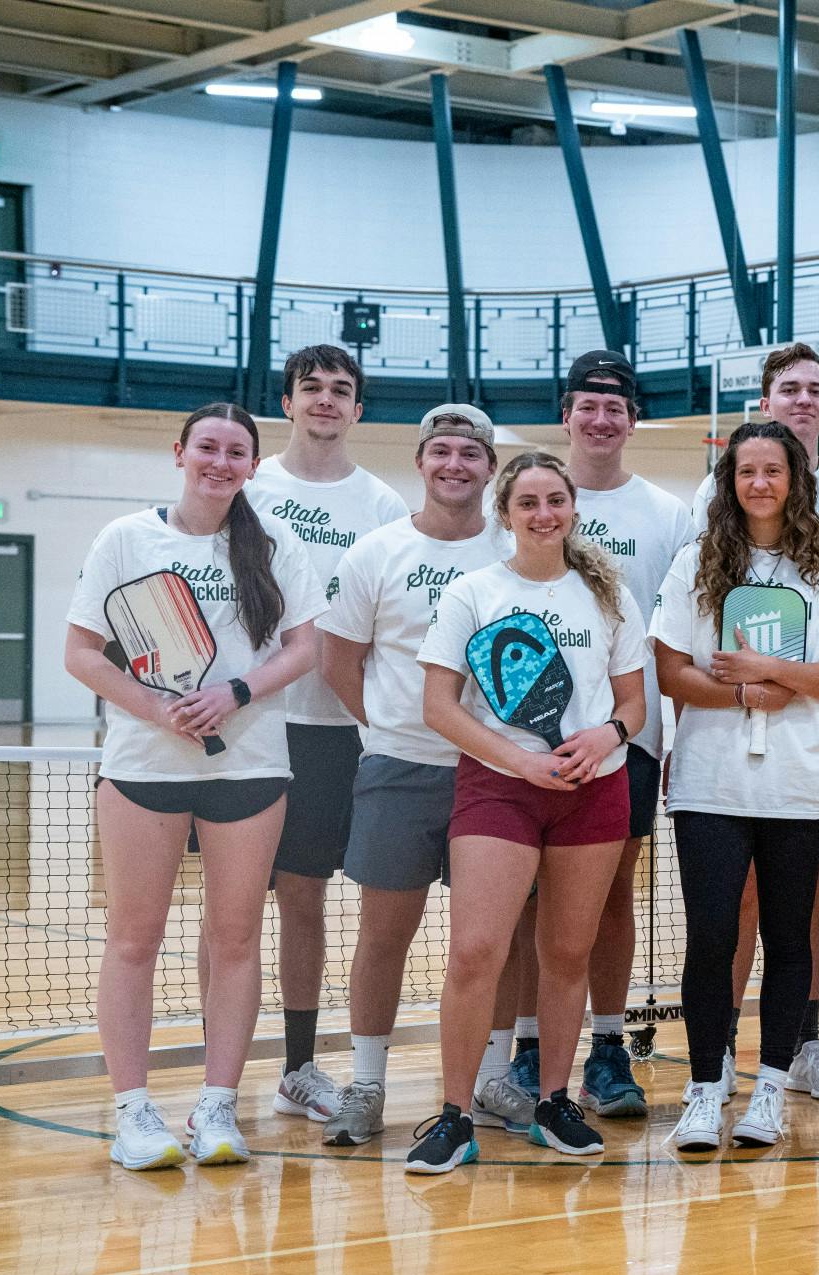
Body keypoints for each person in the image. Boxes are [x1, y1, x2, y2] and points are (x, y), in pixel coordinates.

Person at [66, 402, 324, 1169]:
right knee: (133, 940)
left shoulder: (275, 543)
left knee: (236, 940)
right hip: (143, 768)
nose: (220, 461)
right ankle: (133, 1112)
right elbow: (83, 653)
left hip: (249, 768)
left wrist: (234, 694)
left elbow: (304, 647)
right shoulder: (125, 537)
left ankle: (217, 1107)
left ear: (252, 464)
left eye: (235, 451)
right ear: (180, 452)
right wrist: (155, 708)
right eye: (206, 447)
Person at [407, 451, 648, 1174]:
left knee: (567, 955)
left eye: (555, 501)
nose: (544, 515)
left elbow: (634, 702)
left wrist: (609, 734)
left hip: (595, 789)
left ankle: (552, 1103)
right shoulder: (473, 592)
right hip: (498, 789)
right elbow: (438, 707)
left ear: (573, 508)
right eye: (528, 503)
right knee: (477, 951)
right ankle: (455, 1115)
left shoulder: (610, 596)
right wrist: (519, 760)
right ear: (505, 514)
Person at [651, 422, 819, 1153]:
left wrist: (769, 673)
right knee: (712, 940)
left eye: (773, 470)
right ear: (730, 481)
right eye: (746, 471)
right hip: (708, 784)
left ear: (795, 481)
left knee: (788, 941)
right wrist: (743, 696)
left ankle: (771, 1090)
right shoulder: (695, 562)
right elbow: (671, 671)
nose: (759, 483)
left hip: (798, 787)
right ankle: (705, 1091)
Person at [499, 351, 694, 1125]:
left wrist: (668, 732)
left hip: (625, 741)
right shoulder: (528, 501)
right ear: (568, 413)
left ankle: (611, 1050)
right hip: (524, 746)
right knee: (524, 902)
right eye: (588, 405)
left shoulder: (667, 514)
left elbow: (676, 635)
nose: (602, 419)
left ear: (632, 420)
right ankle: (525, 1049)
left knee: (614, 893)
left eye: (616, 407)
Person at [695, 342, 819, 1104]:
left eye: (815, 389)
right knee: (732, 904)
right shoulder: (719, 500)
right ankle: (724, 1049)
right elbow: (705, 619)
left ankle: (799, 1042)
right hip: (737, 731)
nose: (803, 399)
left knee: (798, 895)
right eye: (789, 389)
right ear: (765, 403)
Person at [314, 405, 507, 1146]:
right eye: (442, 452)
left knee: (497, 940)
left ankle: (492, 1079)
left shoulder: (513, 550)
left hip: (496, 776)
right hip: (398, 770)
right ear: (421, 463)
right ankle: (366, 1085)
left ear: (490, 468)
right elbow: (339, 660)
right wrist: (390, 725)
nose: (455, 464)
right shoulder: (375, 553)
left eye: (470, 454)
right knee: (384, 935)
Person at [244, 345, 408, 1125]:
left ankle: (325, 1067)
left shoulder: (379, 503)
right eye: (312, 388)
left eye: (341, 391)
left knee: (341, 900)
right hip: (260, 725)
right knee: (262, 901)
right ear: (287, 402)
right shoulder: (251, 485)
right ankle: (274, 1070)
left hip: (347, 728)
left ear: (358, 410)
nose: (326, 400)